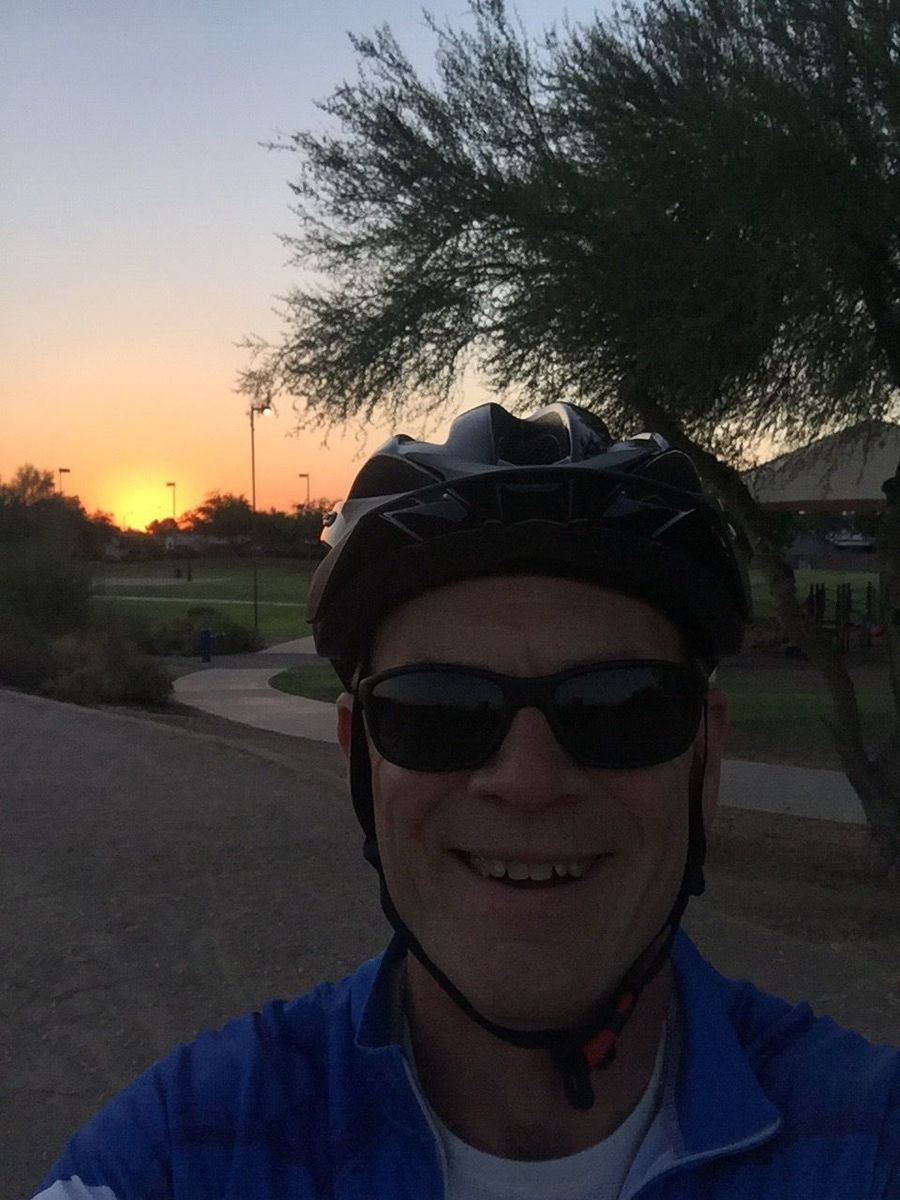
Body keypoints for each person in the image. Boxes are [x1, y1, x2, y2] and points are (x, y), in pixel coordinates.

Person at [34, 403, 900, 1199]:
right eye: (438, 712)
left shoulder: (869, 1139)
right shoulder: (182, 1152)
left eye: (619, 708)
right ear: (361, 762)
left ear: (704, 762)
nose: (528, 782)